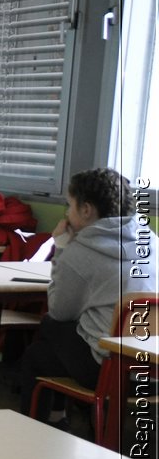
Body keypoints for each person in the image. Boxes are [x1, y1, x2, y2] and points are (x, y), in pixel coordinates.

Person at [19, 168, 157, 418]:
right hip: (151, 367)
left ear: (86, 210)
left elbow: (60, 311)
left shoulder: (80, 252)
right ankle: (81, 420)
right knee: (53, 341)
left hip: (110, 369)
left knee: (46, 333)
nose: (66, 215)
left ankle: (50, 425)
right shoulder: (152, 241)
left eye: (69, 206)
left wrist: (61, 248)